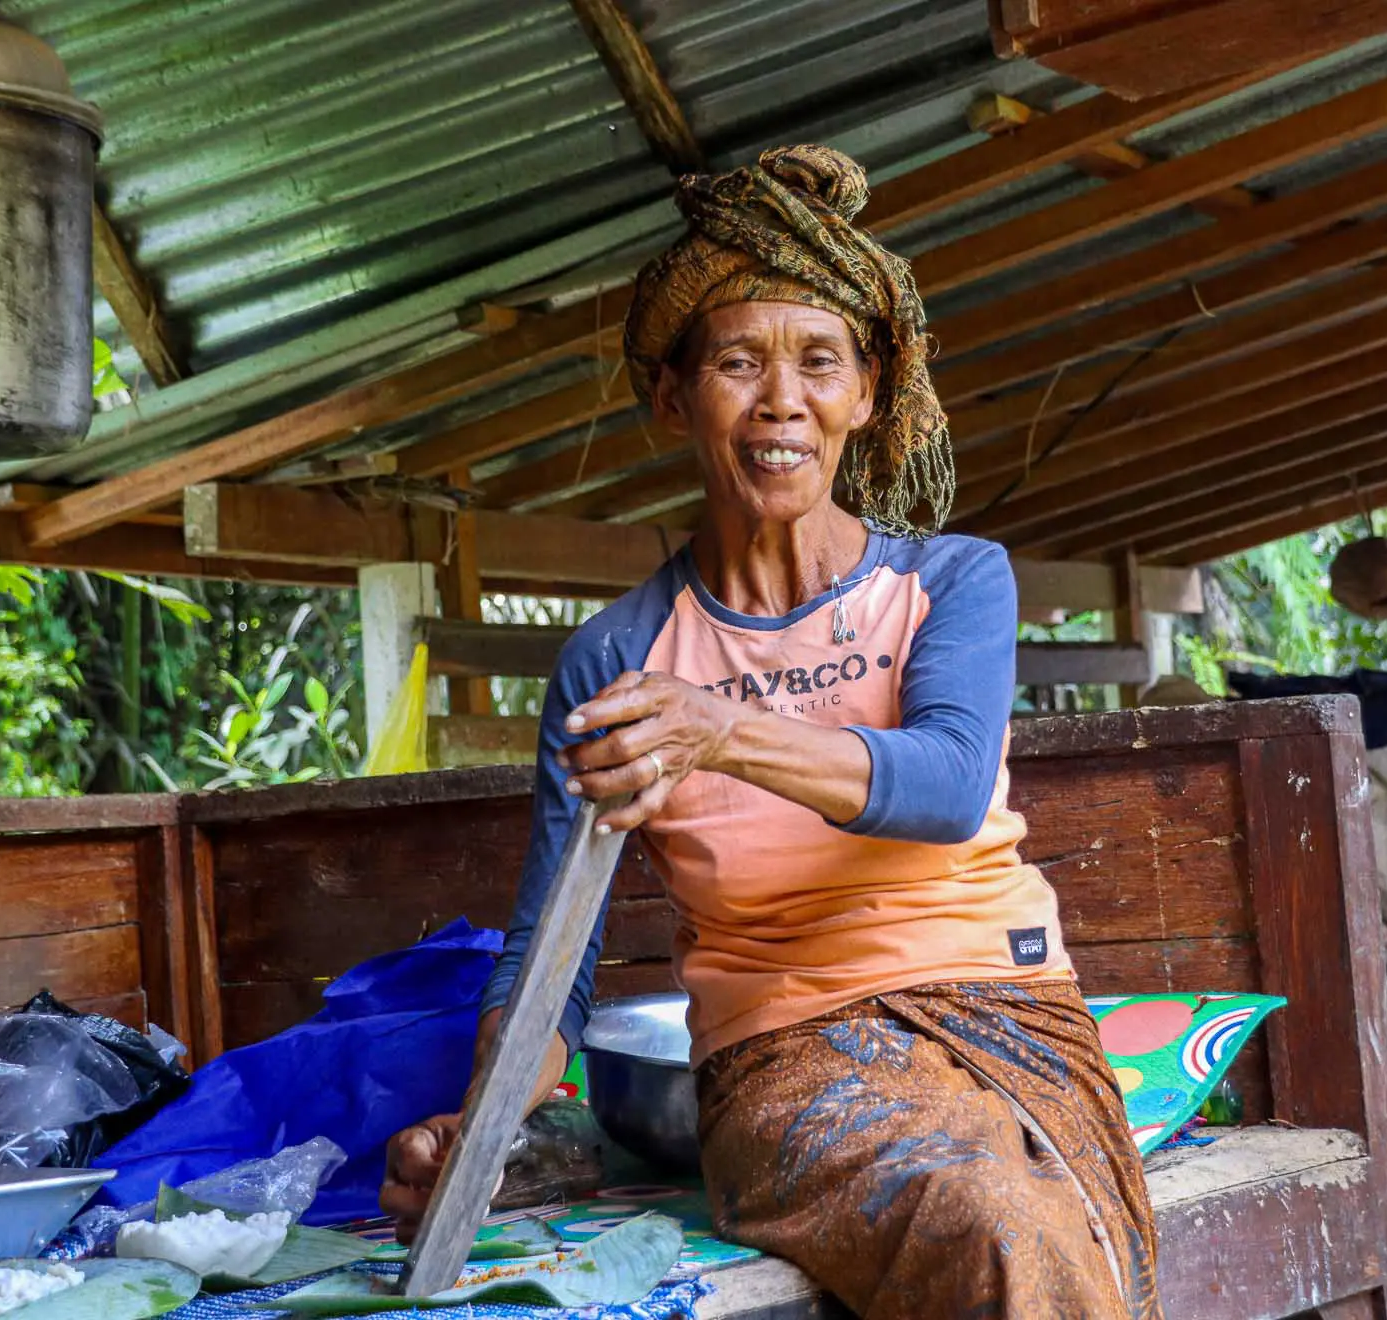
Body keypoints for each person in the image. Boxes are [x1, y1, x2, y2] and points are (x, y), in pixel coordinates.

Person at [382, 145, 1159, 1319]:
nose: (781, 400)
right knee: (994, 1223)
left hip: (1015, 1023)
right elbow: (555, 954)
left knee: (1051, 1219)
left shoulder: (953, 582)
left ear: (870, 394)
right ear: (673, 397)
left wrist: (718, 732)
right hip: (791, 1061)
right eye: (739, 362)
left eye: (819, 363)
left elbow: (949, 788)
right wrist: (479, 1127)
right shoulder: (617, 661)